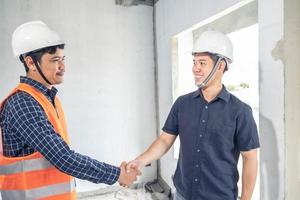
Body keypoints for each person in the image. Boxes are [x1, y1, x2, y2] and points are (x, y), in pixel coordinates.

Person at [0, 21, 138, 200]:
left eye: (63, 59)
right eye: (55, 60)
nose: (63, 67)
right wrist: (118, 174)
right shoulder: (23, 103)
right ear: (31, 63)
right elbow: (63, 158)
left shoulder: (48, 98)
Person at [126, 30, 260, 200]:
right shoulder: (182, 104)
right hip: (183, 193)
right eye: (194, 62)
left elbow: (250, 158)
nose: (195, 68)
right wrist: (140, 161)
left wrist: (246, 198)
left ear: (221, 65)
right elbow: (165, 140)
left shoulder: (240, 111)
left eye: (202, 63)